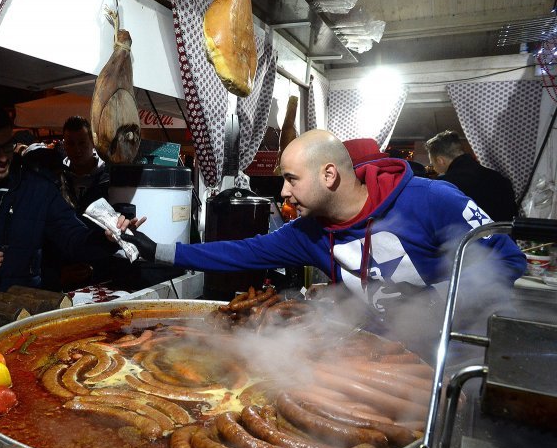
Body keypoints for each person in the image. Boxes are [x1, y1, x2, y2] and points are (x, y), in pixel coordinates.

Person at [122, 130, 526, 356]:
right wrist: (156, 249)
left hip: (454, 354)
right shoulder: (309, 232)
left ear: (329, 174)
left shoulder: (433, 199)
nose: (284, 191)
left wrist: (434, 303)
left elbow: (508, 262)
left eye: (292, 178)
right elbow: (240, 251)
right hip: (379, 354)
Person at [0, 103, 135, 308]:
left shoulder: (37, 187)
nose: (2, 158)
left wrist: (106, 238)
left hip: (23, 305)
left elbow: (73, 237)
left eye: (7, 146)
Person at [425, 130, 518, 222]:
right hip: (503, 236)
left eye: (433, 164)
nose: (434, 169)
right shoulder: (498, 178)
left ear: (440, 160)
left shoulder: (444, 185)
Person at [60, 116, 110, 213]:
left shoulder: (109, 176)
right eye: (71, 143)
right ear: (64, 145)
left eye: (82, 143)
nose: (77, 150)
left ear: (93, 142)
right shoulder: (57, 177)